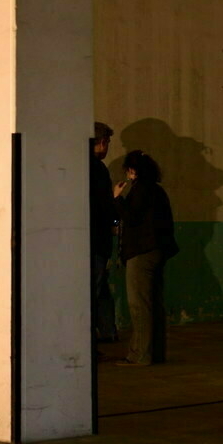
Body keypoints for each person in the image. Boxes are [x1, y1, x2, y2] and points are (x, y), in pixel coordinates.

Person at [113, 150, 178, 366]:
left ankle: (140, 355)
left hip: (141, 253)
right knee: (153, 304)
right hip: (157, 251)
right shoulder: (157, 190)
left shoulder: (141, 190)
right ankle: (155, 353)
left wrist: (117, 199)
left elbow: (132, 217)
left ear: (133, 170)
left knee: (139, 305)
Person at [91, 122, 119, 343]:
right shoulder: (98, 169)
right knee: (95, 289)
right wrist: (115, 198)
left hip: (88, 240)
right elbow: (104, 205)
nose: (107, 147)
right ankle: (91, 338)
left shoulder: (78, 166)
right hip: (97, 241)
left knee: (99, 290)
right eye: (107, 142)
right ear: (100, 142)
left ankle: (108, 331)